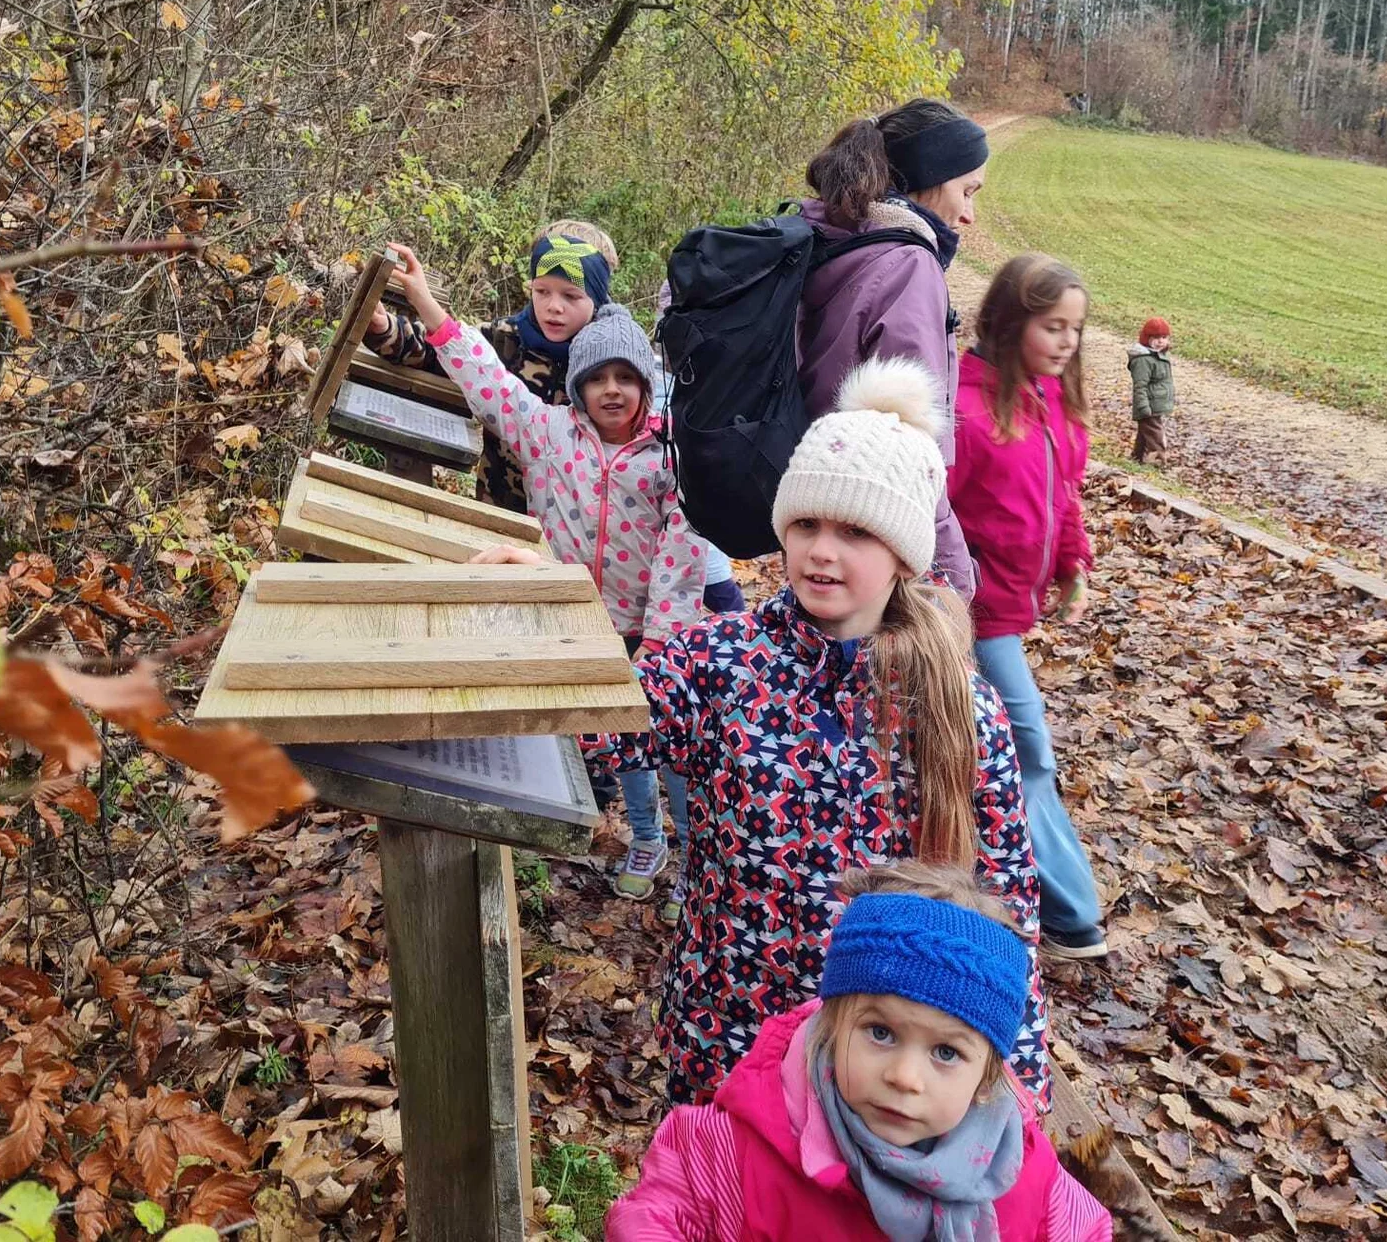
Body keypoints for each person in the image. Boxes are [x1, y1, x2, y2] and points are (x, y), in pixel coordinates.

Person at [578, 357, 1048, 1107]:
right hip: (726, 1035)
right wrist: (539, 610)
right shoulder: (718, 662)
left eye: (855, 531)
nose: (822, 551)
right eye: (806, 524)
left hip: (878, 1067)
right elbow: (601, 729)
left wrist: (1018, 1095)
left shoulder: (960, 709)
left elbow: (1006, 905)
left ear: (902, 556)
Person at [388, 243, 703, 901]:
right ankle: (647, 840)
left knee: (670, 738)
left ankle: (699, 859)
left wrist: (662, 652)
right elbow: (484, 377)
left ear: (645, 382)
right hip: (584, 620)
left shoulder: (672, 454)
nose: (611, 390)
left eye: (626, 377)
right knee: (627, 745)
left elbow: (681, 555)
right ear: (578, 386)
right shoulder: (548, 433)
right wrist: (422, 298)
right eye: (597, 378)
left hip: (657, 632)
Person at [607, 862, 1109, 1241]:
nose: (905, 1076)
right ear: (831, 1024)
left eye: (947, 1053)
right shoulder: (735, 1151)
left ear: (986, 1077)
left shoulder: (1022, 1179)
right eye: (881, 1033)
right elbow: (659, 1217)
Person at [949, 256, 1107, 962]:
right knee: (1025, 747)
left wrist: (1073, 565)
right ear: (1010, 322)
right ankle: (1068, 910)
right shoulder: (969, 409)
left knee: (980, 746)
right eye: (1053, 325)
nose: (1067, 340)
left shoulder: (1053, 402)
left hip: (1013, 607)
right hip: (973, 614)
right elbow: (933, 515)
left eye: (1076, 327)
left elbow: (1064, 496)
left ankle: (979, 867)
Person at [797, 99, 991, 598]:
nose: (969, 215)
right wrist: (954, 580)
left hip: (813, 520)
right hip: (876, 534)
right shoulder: (906, 266)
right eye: (967, 192)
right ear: (927, 178)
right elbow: (909, 448)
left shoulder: (823, 238)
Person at [364, 221, 618, 516]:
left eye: (571, 296)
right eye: (542, 291)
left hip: (574, 526)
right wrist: (384, 329)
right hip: (497, 509)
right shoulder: (506, 338)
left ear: (597, 298)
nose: (554, 306)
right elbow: (440, 350)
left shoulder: (610, 363)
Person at [1127, 317, 1174, 464]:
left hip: (1155, 404)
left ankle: (1137, 459)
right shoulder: (1143, 360)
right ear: (1147, 338)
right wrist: (1143, 407)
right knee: (1156, 436)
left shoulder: (1157, 356)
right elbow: (1140, 386)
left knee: (1144, 433)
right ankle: (1159, 462)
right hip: (1148, 405)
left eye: (1164, 338)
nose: (1160, 341)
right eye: (1156, 338)